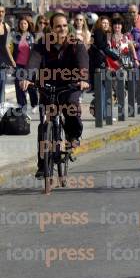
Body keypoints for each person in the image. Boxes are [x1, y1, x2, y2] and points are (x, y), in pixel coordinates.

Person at [20, 13, 90, 178]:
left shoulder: (75, 44)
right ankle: (43, 165)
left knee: (71, 106)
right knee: (44, 124)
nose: (62, 29)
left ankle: (73, 135)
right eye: (58, 26)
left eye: (65, 25)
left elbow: (83, 64)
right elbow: (33, 63)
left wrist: (83, 79)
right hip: (48, 87)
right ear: (51, 28)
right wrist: (27, 78)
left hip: (70, 85)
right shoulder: (42, 45)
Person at [10, 15, 38, 112]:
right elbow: (12, 50)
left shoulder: (33, 36)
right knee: (19, 85)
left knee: (31, 85)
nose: (23, 25)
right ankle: (22, 105)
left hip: (30, 65)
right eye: (21, 23)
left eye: (25, 23)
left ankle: (34, 104)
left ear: (28, 25)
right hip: (18, 64)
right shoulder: (15, 36)